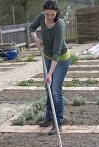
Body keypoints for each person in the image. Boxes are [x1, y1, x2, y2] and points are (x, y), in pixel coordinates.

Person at [30, 0, 70, 135]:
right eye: (47, 14)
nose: (49, 17)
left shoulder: (60, 25)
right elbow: (31, 28)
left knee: (56, 91)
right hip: (47, 57)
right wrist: (36, 39)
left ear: (57, 12)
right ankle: (49, 117)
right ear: (44, 11)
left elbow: (57, 51)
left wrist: (50, 73)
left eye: (52, 15)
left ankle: (58, 123)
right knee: (47, 88)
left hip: (61, 59)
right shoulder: (41, 17)